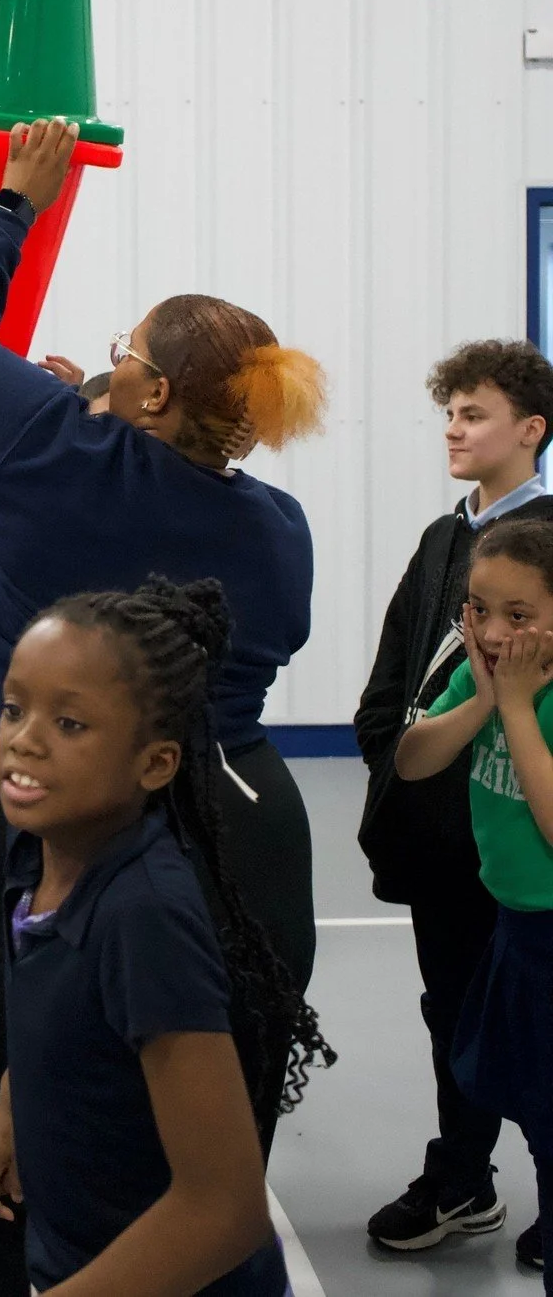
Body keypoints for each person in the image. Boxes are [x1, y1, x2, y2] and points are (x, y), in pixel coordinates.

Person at [0, 120, 327, 1297]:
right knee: (207, 1140)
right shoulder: (276, 531)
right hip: (241, 824)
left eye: (120, 353)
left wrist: (12, 202)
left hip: (41, 831)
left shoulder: (53, 457)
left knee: (27, 1162)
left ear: (146, 388)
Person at [0, 579, 332, 1296]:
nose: (24, 738)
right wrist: (15, 1102)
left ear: (156, 762)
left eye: (70, 724)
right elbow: (66, 1025)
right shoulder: (36, 855)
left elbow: (225, 1212)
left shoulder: (144, 916)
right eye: (15, 708)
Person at [357, 339, 553, 1262]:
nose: (454, 429)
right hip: (446, 834)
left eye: (474, 414)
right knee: (455, 1017)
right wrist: (390, 755)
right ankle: (462, 1177)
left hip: (526, 851)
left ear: (531, 429)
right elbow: (402, 675)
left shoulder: (544, 545)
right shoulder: (444, 538)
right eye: (450, 413)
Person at [395, 515, 553, 1291]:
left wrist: (518, 707)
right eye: (478, 610)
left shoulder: (540, 696)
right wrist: (485, 699)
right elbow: (414, 757)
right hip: (515, 928)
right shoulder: (487, 672)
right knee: (519, 1095)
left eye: (518, 617)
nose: (492, 632)